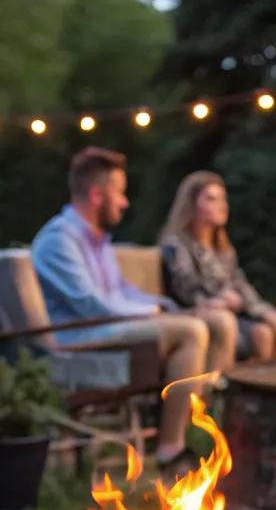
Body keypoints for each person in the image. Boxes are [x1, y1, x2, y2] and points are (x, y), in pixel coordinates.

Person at [32, 147, 236, 472]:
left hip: (109, 327)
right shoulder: (59, 240)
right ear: (97, 195)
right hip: (84, 337)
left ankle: (195, 427)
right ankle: (171, 448)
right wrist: (157, 314)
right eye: (120, 193)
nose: (125, 202)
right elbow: (90, 305)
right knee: (190, 331)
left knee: (201, 321)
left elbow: (122, 291)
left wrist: (165, 306)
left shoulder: (96, 240)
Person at [160, 171, 276, 360]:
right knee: (261, 335)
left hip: (235, 313)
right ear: (191, 204)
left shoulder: (223, 249)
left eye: (223, 199)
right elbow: (186, 289)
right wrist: (223, 299)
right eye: (211, 199)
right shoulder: (177, 246)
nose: (222, 206)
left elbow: (241, 286)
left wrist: (266, 312)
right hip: (199, 313)